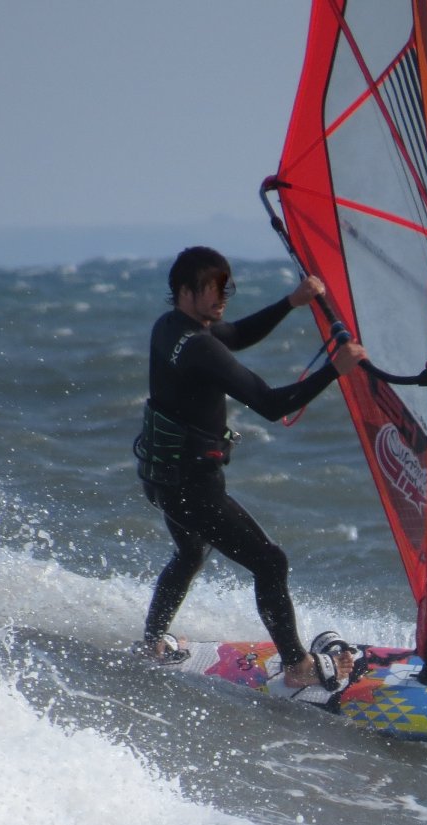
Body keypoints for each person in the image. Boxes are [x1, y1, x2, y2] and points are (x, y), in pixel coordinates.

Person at [133, 246, 367, 692]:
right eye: (212, 290)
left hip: (161, 476)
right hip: (193, 486)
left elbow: (235, 334)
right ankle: (298, 665)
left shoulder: (170, 329)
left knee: (189, 553)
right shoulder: (200, 347)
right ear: (185, 292)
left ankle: (151, 643)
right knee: (269, 561)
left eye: (226, 288)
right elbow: (270, 403)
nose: (223, 297)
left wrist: (290, 302)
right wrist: (334, 370)